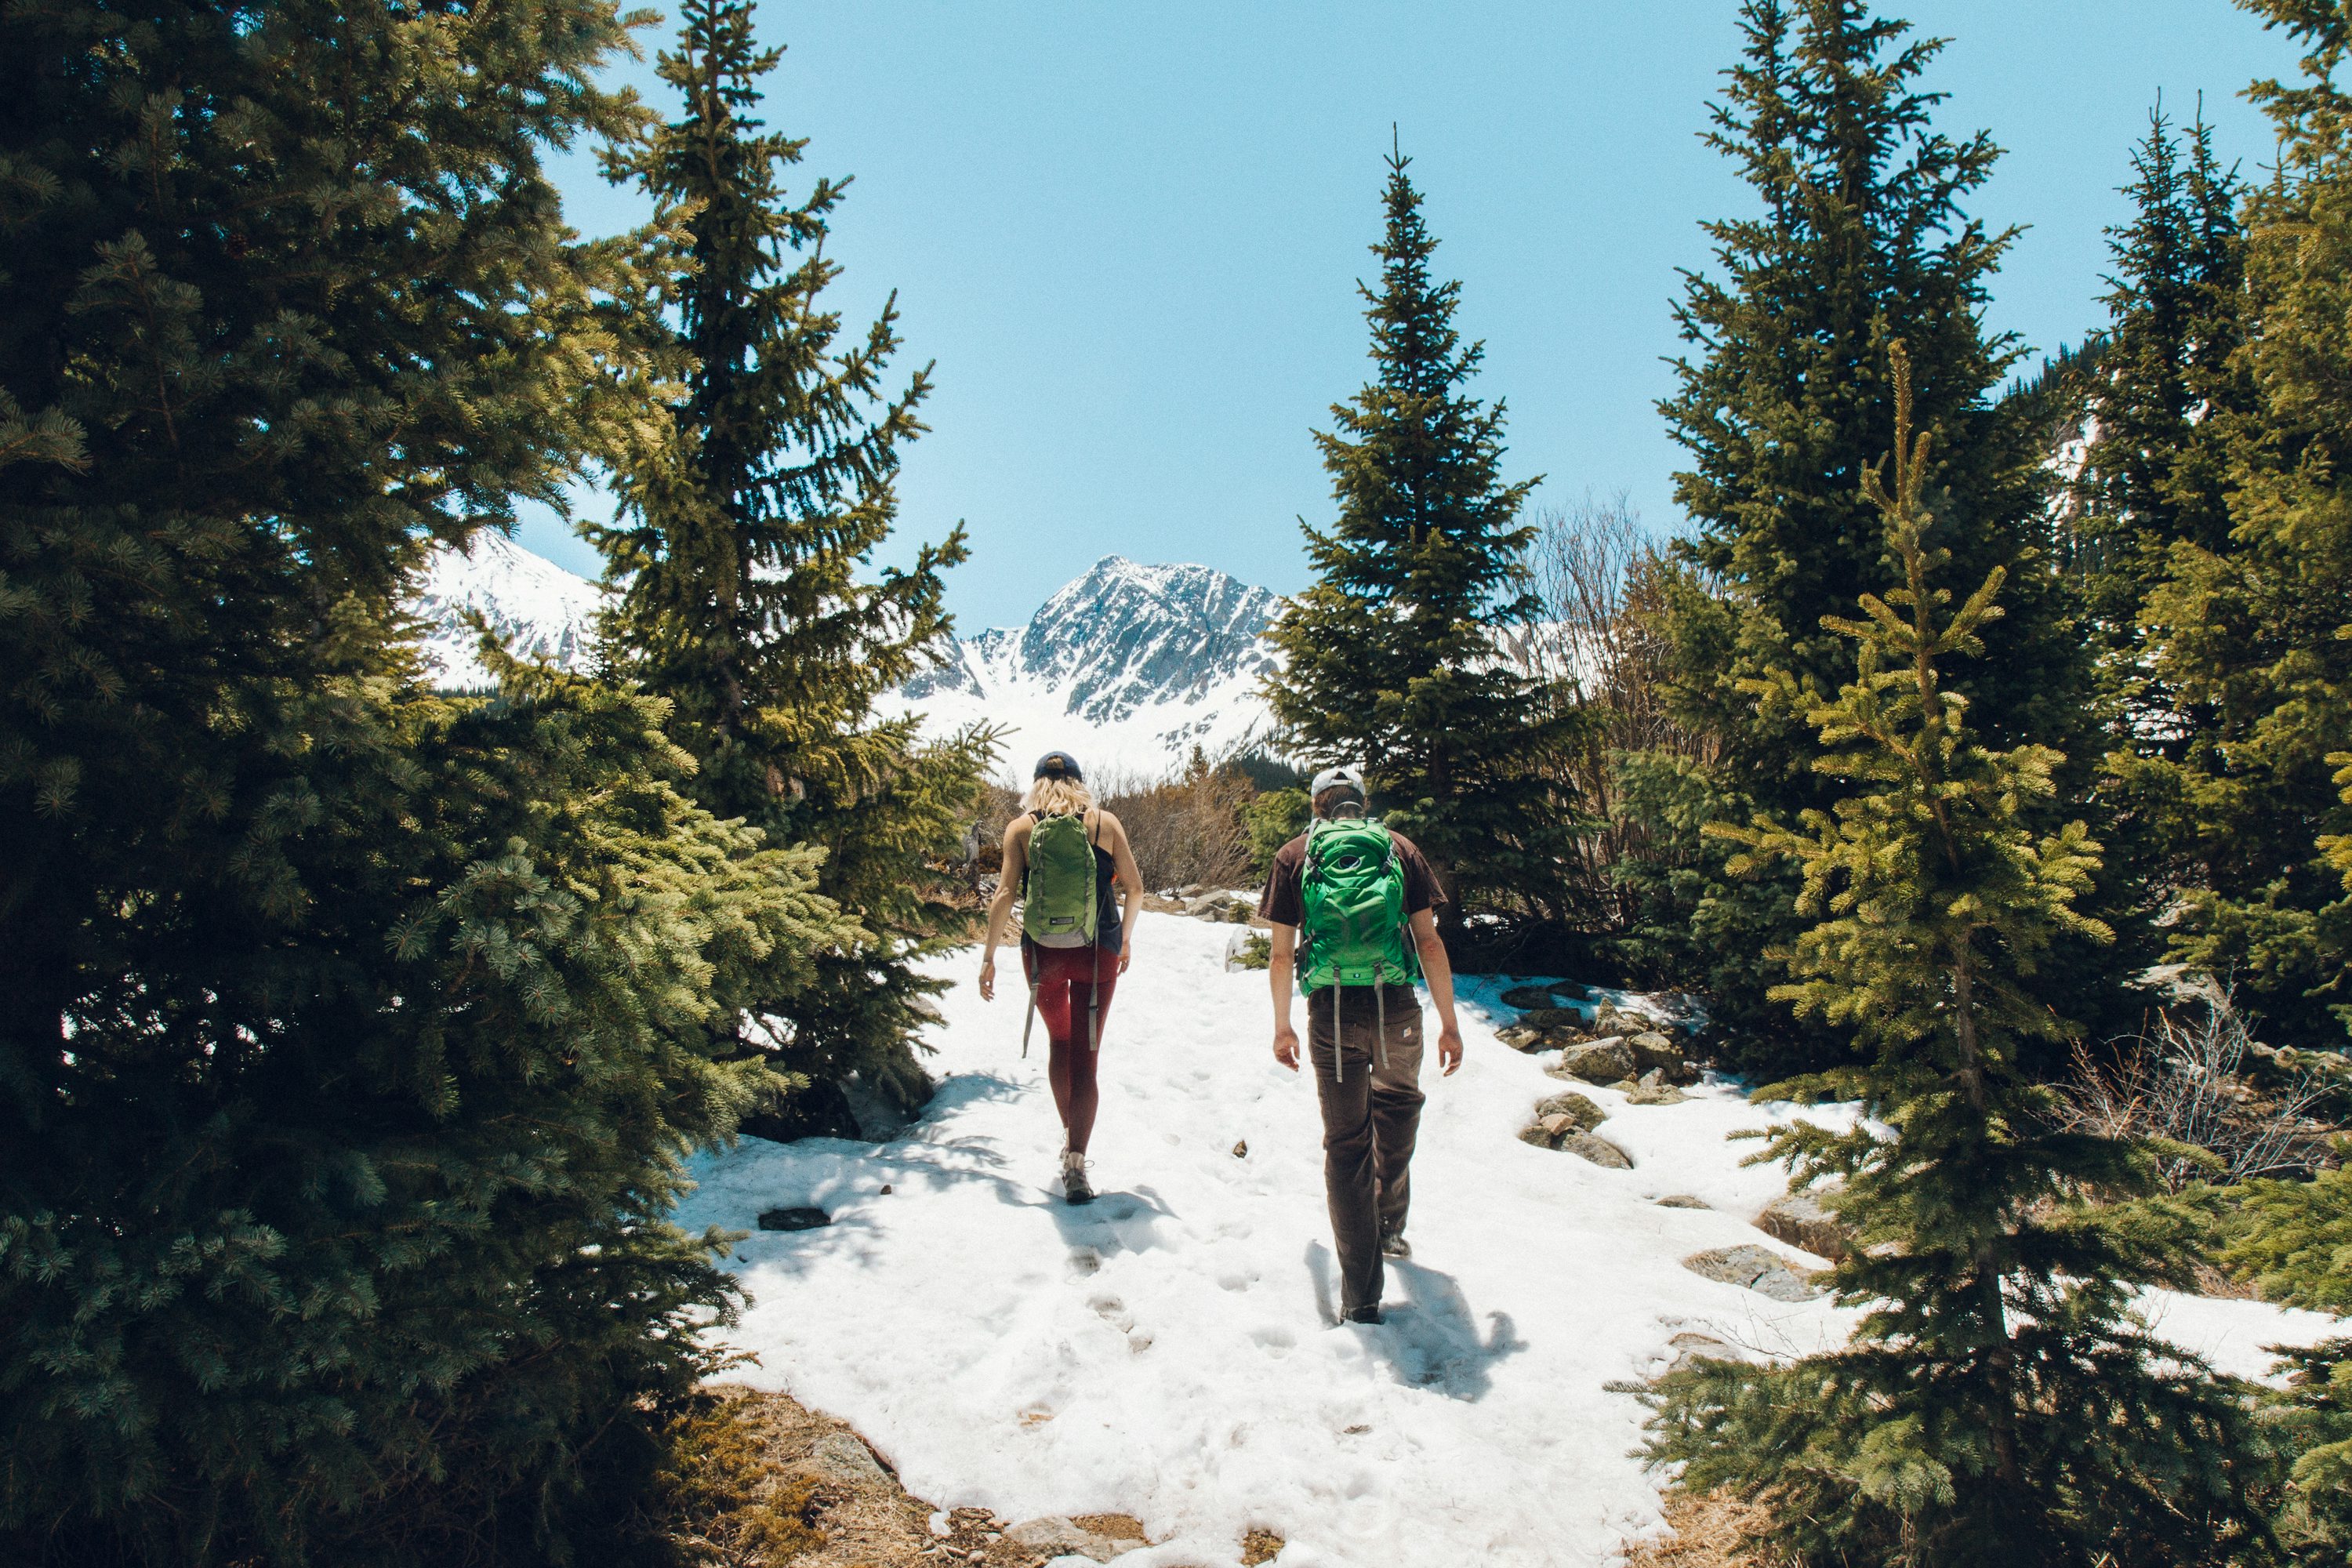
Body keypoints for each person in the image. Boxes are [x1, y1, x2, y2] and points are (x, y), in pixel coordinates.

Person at [1259, 764, 1463, 1324]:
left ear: (1317, 805)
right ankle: (1390, 1223)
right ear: (1361, 804)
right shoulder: (1398, 848)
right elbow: (1427, 941)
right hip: (1394, 1003)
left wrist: (1282, 1026)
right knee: (1398, 1109)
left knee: (1347, 1146)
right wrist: (1449, 1022)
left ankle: (1361, 1298)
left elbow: (1281, 954)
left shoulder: (1296, 855)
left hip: (1330, 1012)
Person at [978, 751, 1145, 1204]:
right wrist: (1124, 938)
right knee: (1086, 1056)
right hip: (1098, 955)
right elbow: (1135, 886)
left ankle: (1068, 1136)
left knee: (1060, 1043)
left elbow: (1005, 894)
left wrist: (989, 957)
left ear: (1035, 785)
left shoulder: (1021, 829)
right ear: (1080, 783)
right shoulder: (1103, 824)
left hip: (1043, 956)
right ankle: (1076, 1160)